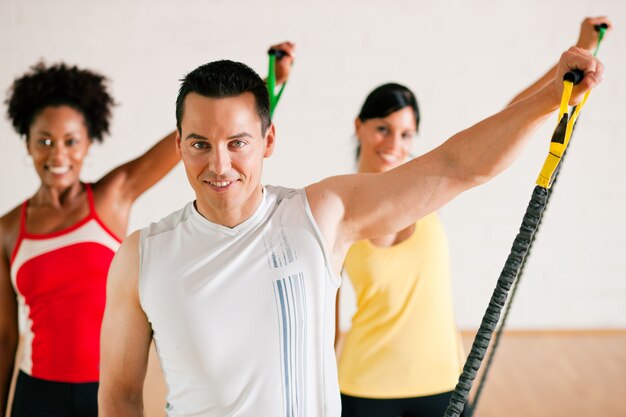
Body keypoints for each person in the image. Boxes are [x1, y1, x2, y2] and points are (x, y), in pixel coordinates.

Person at [98, 46, 603, 417]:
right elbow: (120, 396)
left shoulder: (320, 216)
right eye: (199, 144)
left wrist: (547, 100)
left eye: (237, 142)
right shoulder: (142, 256)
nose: (220, 164)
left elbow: (455, 166)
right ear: (181, 146)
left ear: (268, 140)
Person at [335, 16, 611, 417]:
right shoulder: (339, 205)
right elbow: (323, 316)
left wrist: (574, 57)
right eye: (383, 129)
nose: (394, 144)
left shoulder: (425, 190)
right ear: (360, 127)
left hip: (442, 380)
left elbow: (506, 118)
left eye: (406, 134)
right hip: (361, 385)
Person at [0, 43, 294, 417]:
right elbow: (5, 337)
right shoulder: (8, 229)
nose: (58, 155)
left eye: (71, 141)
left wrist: (269, 86)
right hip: (36, 395)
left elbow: (204, 140)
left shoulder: (113, 195)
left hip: (103, 391)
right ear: (26, 143)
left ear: (89, 143)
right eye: (44, 141)